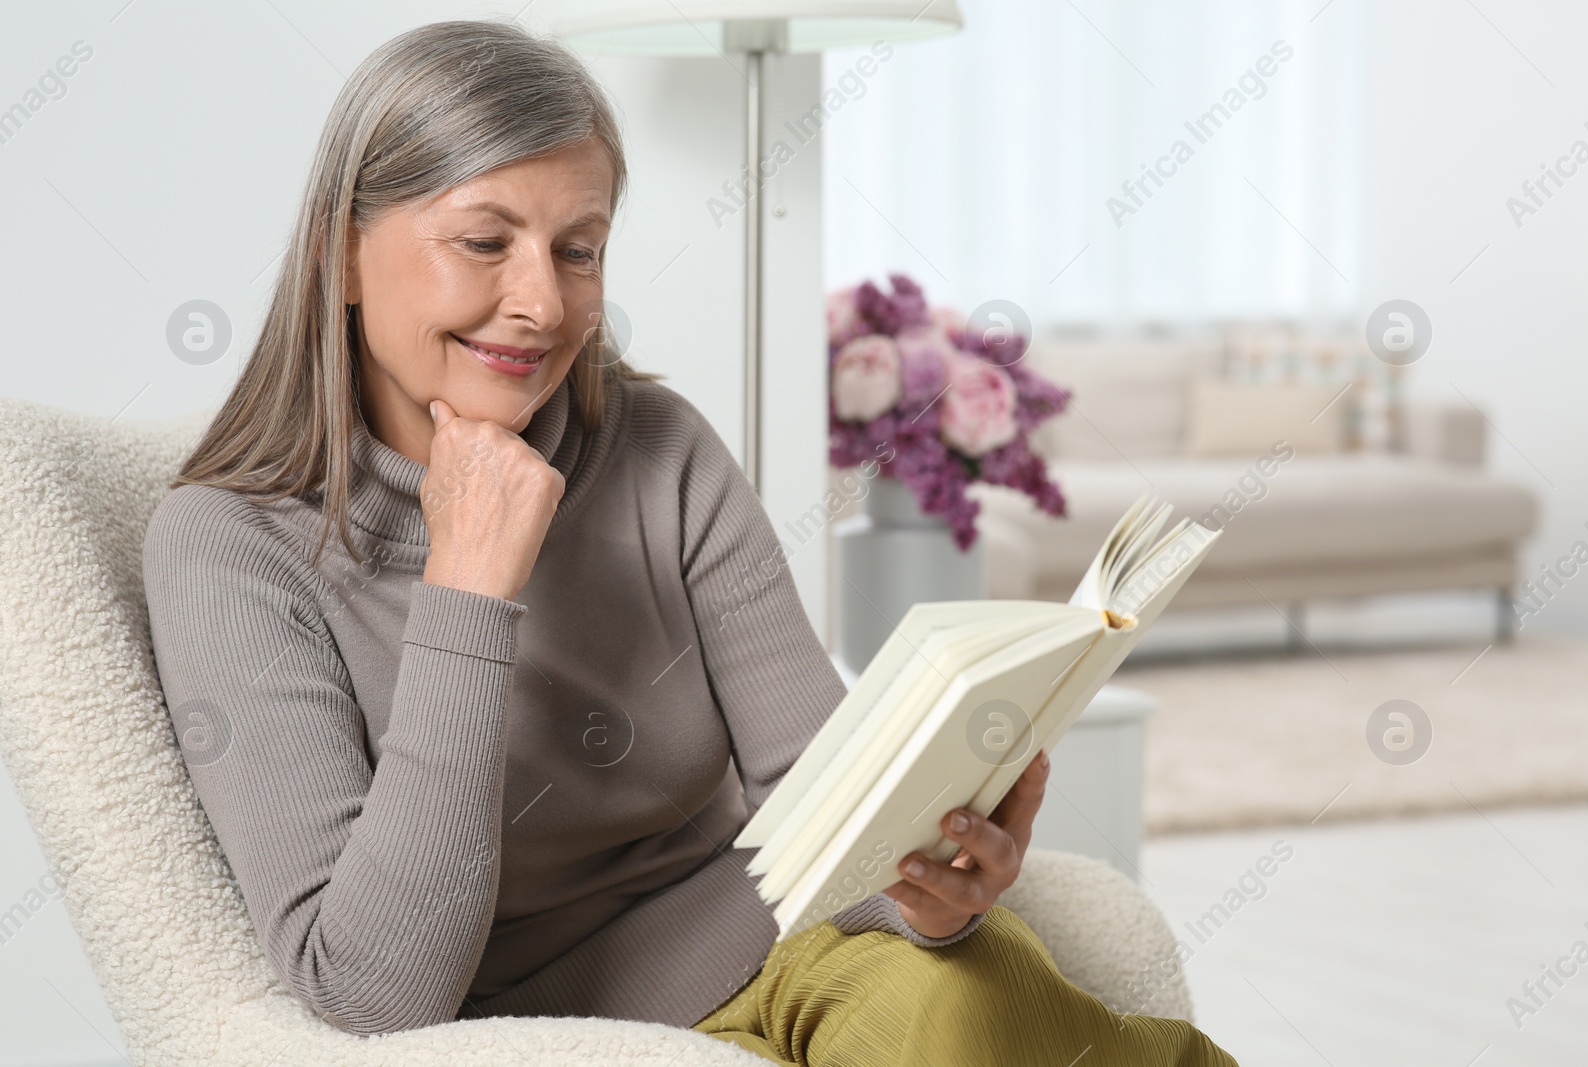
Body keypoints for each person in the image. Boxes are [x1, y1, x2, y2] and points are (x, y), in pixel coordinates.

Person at [141, 16, 1237, 1066]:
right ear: (343, 250)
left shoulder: (654, 447)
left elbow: (817, 802)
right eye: (484, 241)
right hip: (539, 1032)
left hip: (800, 954)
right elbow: (375, 994)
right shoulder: (227, 546)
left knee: (967, 1008)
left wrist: (931, 891)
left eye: (578, 250)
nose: (540, 302)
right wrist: (467, 588)